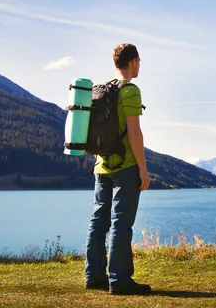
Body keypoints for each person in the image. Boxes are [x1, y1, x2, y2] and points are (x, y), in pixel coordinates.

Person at [84, 43, 152, 295]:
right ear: (133, 61)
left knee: (98, 222)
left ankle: (93, 275)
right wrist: (143, 170)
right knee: (121, 223)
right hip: (125, 166)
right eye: (139, 61)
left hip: (101, 165)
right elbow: (134, 132)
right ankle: (119, 279)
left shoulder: (102, 90)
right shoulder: (130, 91)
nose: (139, 65)